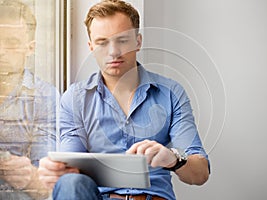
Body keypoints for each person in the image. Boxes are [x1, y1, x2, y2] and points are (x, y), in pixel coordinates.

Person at [38, 0, 210, 199]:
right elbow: (70, 176)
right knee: (70, 181)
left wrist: (172, 159)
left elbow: (200, 174)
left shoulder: (171, 93)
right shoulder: (75, 99)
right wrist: (54, 171)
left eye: (122, 40)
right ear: (91, 46)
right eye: (102, 42)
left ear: (138, 41)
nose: (113, 52)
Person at [0, 0, 57, 199]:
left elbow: (44, 188)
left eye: (12, 43)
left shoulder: (45, 98)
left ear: (30, 48)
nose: (0, 51)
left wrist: (27, 176)